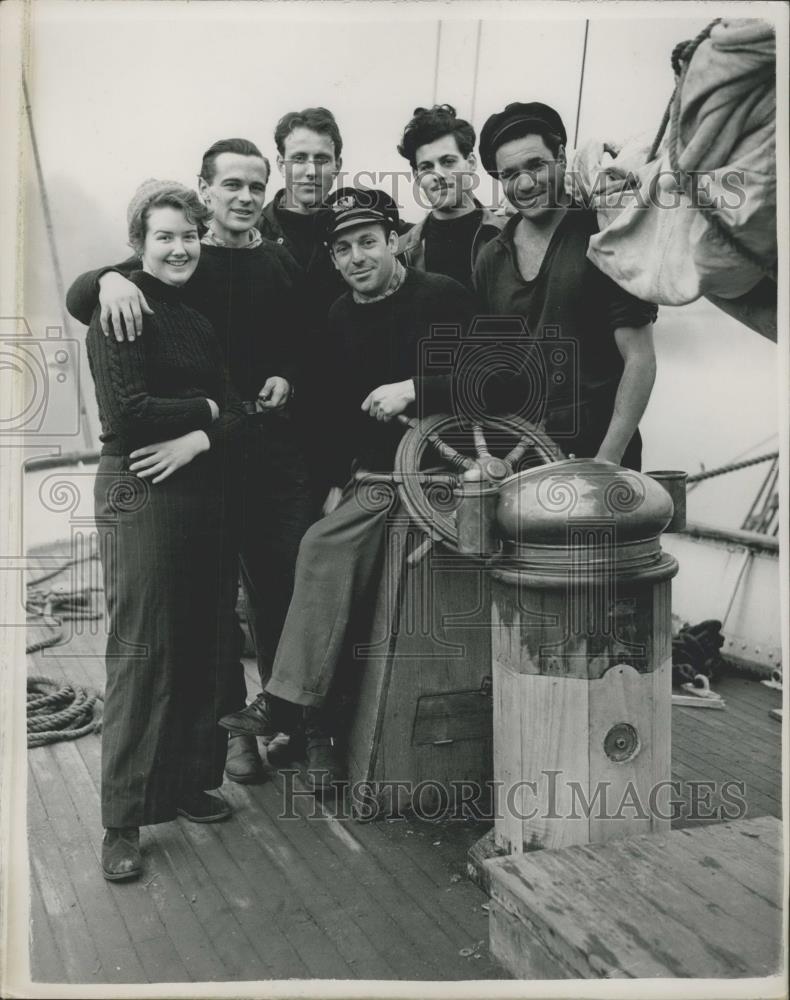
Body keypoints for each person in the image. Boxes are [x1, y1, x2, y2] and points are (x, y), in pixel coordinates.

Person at [66, 139, 313, 786]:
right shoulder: (184, 257)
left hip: (268, 456)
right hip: (200, 461)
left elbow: (302, 339)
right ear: (205, 191)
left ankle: (287, 720)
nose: (245, 197)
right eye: (231, 184)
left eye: (256, 186)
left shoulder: (280, 262)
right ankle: (232, 735)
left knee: (280, 591)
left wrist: (287, 372)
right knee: (213, 607)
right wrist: (106, 278)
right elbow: (88, 292)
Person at [218, 188, 477, 793]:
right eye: (343, 249)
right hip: (379, 478)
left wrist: (417, 388)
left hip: (448, 477)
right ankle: (298, 712)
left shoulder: (444, 297)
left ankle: (284, 704)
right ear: (333, 259)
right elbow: (333, 415)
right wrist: (336, 479)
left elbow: (502, 378)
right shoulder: (338, 316)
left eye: (367, 242)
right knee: (318, 542)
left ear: (394, 243)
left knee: (324, 548)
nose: (357, 257)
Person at [85, 180, 246, 882]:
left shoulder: (197, 319)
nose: (180, 248)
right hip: (139, 486)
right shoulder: (119, 308)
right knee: (142, 646)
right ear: (139, 244)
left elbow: (236, 410)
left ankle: (184, 782)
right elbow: (128, 413)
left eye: (189, 236)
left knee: (205, 637)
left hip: (200, 484)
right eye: (165, 237)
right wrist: (205, 410)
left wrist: (202, 433)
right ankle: (121, 820)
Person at [474, 102, 658, 470]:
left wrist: (607, 460)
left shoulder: (604, 233)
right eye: (509, 174)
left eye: (536, 165)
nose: (525, 184)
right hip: (519, 458)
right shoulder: (490, 258)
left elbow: (640, 359)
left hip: (602, 452)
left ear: (561, 157)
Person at [396, 104, 504, 289]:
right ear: (416, 176)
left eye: (448, 162)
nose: (438, 174)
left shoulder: (507, 235)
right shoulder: (400, 251)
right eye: (426, 167)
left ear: (471, 163)